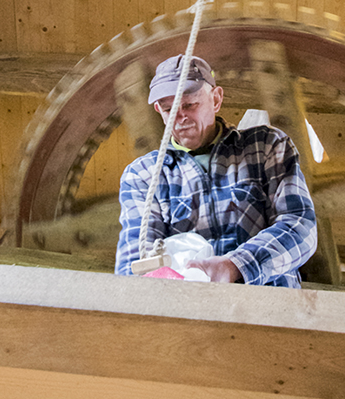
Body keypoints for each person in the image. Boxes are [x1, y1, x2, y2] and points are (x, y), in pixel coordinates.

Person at [114, 54, 317, 286]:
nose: (180, 118)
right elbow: (134, 261)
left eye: (190, 105)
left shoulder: (266, 147)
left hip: (267, 308)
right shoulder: (143, 174)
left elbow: (301, 226)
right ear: (158, 109)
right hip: (189, 312)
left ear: (216, 99)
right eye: (169, 109)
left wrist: (237, 266)